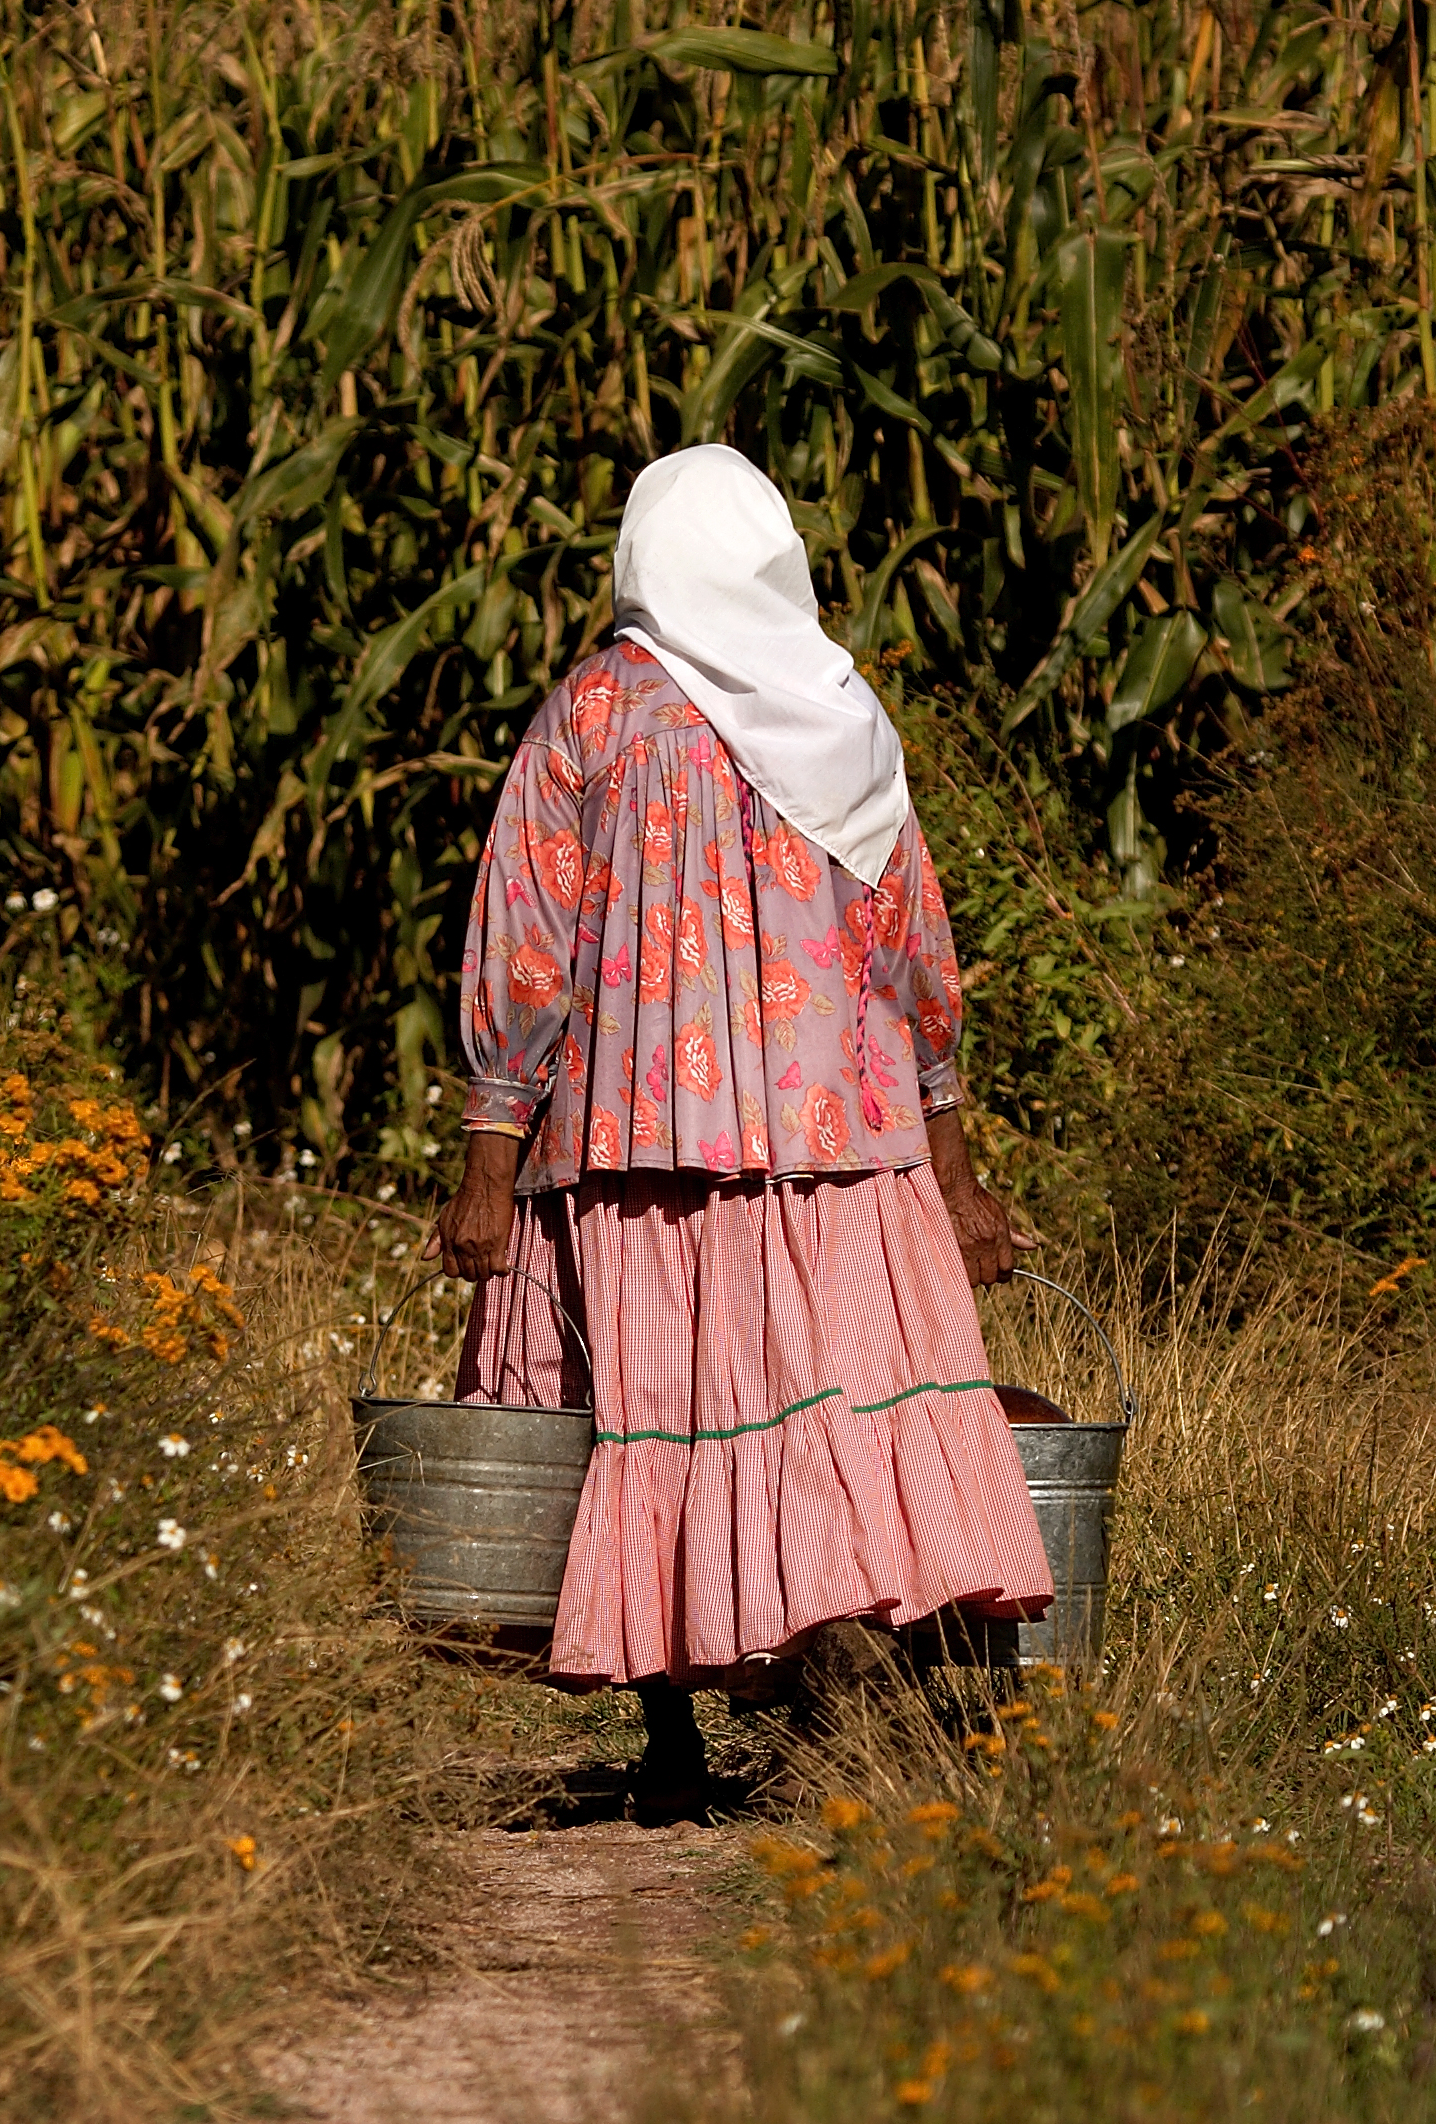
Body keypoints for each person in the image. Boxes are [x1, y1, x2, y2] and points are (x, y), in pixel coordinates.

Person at [425, 445, 1052, 1820]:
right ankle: (851, 1683)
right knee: (834, 1420)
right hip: (849, 1151)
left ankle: (678, 1744)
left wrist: (488, 1147)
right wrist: (957, 1172)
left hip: (646, 1143)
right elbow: (916, 964)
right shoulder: (840, 717)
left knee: (654, 1419)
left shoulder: (591, 716)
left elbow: (523, 948)